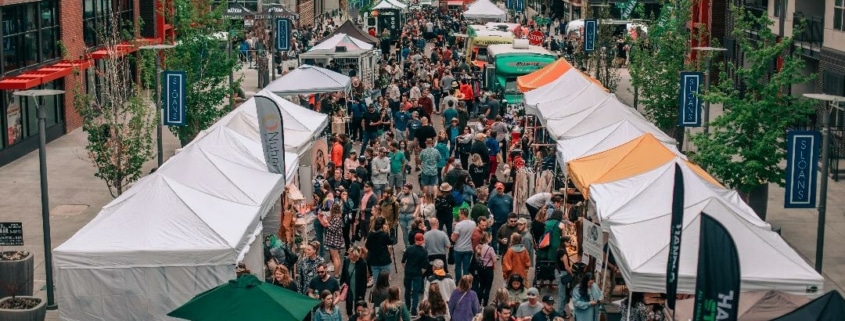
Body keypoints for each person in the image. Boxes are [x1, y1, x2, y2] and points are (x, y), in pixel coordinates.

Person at [402, 233, 429, 315]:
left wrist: (406, 268)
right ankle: (414, 309)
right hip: (417, 273)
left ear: (415, 240)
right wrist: (421, 272)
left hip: (408, 272)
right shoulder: (424, 251)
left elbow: (403, 261)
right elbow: (425, 266)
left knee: (407, 290)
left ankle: (407, 307)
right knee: (416, 292)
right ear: (422, 240)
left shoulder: (409, 248)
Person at [341, 246, 370, 316]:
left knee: (358, 308)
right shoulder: (346, 261)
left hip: (358, 289)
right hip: (348, 288)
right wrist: (342, 283)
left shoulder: (362, 263)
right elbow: (344, 273)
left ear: (355, 255)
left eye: (350, 254)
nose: (348, 255)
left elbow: (364, 280)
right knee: (348, 306)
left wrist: (362, 294)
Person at [451, 207, 476, 280]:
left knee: (458, 267)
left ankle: (458, 282)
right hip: (468, 248)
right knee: (466, 267)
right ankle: (466, 283)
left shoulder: (459, 225)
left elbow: (454, 238)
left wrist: (452, 236)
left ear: (463, 215)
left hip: (458, 249)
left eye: (459, 214)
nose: (458, 215)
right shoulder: (473, 223)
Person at [488, 183, 514, 254]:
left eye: (501, 188)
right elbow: (489, 209)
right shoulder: (493, 199)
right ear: (496, 189)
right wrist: (492, 217)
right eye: (498, 189)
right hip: (496, 222)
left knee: (504, 237)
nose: (499, 190)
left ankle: (502, 252)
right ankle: (494, 252)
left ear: (503, 189)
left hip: (505, 222)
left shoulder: (508, 198)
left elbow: (511, 208)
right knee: (495, 237)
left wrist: (510, 218)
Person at [320, 203, 345, 277]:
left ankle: (336, 274)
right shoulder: (337, 218)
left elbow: (333, 229)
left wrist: (327, 223)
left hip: (333, 240)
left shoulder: (336, 219)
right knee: (337, 257)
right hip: (335, 240)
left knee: (335, 258)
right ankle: (338, 272)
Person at [555, 236, 574, 316]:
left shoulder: (558, 249)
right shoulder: (563, 252)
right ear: (564, 242)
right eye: (569, 241)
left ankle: (561, 311)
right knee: (562, 295)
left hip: (558, 272)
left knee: (562, 293)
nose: (570, 243)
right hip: (562, 274)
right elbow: (566, 267)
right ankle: (559, 313)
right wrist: (571, 273)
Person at [397, 183, 420, 248]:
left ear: (410, 190)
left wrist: (415, 213)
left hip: (410, 215)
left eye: (406, 189)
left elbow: (418, 204)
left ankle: (411, 245)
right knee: (404, 233)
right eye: (403, 189)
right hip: (402, 215)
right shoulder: (400, 195)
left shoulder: (413, 195)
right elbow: (396, 203)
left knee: (410, 231)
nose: (404, 190)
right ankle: (406, 246)